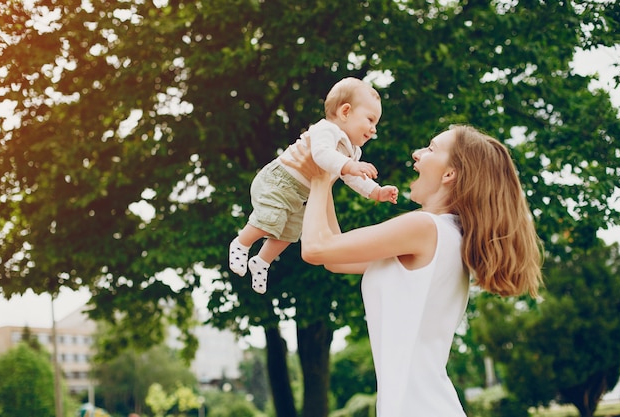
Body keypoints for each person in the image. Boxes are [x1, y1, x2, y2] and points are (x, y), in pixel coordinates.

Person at [286, 125, 543, 416]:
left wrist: (319, 177)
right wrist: (327, 174)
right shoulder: (445, 235)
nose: (417, 154)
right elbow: (334, 257)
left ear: (449, 174)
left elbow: (315, 249)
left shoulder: (424, 228)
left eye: (431, 149)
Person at [228, 77, 399, 294]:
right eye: (370, 120)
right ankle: (241, 243)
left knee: (289, 234)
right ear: (345, 112)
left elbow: (353, 178)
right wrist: (348, 166)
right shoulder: (326, 129)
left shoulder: (353, 151)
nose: (374, 129)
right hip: (280, 182)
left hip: (300, 195)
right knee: (269, 221)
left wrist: (376, 191)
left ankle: (261, 261)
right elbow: (321, 155)